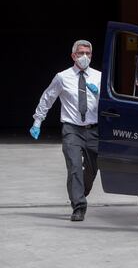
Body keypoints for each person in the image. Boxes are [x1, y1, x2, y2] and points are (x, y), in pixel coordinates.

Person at [29, 40, 101, 221]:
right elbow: (48, 98)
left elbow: (109, 104)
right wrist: (37, 121)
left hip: (94, 130)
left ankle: (79, 191)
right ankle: (78, 206)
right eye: (81, 53)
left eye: (88, 53)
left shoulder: (99, 77)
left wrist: (98, 95)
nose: (85, 57)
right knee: (74, 167)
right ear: (73, 56)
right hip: (72, 129)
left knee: (92, 170)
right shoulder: (62, 77)